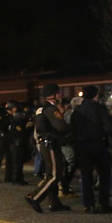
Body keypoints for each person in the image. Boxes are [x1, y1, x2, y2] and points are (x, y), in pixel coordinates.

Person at [70, 85, 112, 213]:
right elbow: (109, 126)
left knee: (86, 175)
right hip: (98, 145)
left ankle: (88, 204)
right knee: (104, 174)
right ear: (96, 95)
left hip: (82, 145)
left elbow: (72, 128)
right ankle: (103, 203)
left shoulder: (78, 110)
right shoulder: (99, 108)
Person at [24, 84, 71, 213]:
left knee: (51, 173)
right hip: (50, 143)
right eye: (58, 93)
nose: (60, 95)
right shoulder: (50, 109)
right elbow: (61, 126)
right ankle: (34, 197)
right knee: (55, 175)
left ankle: (54, 203)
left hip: (45, 143)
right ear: (54, 94)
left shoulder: (40, 108)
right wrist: (71, 128)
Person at [6, 101, 29, 185]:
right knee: (17, 163)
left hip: (16, 144)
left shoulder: (14, 123)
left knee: (18, 162)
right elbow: (19, 134)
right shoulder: (15, 124)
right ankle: (16, 179)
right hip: (16, 144)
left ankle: (18, 178)